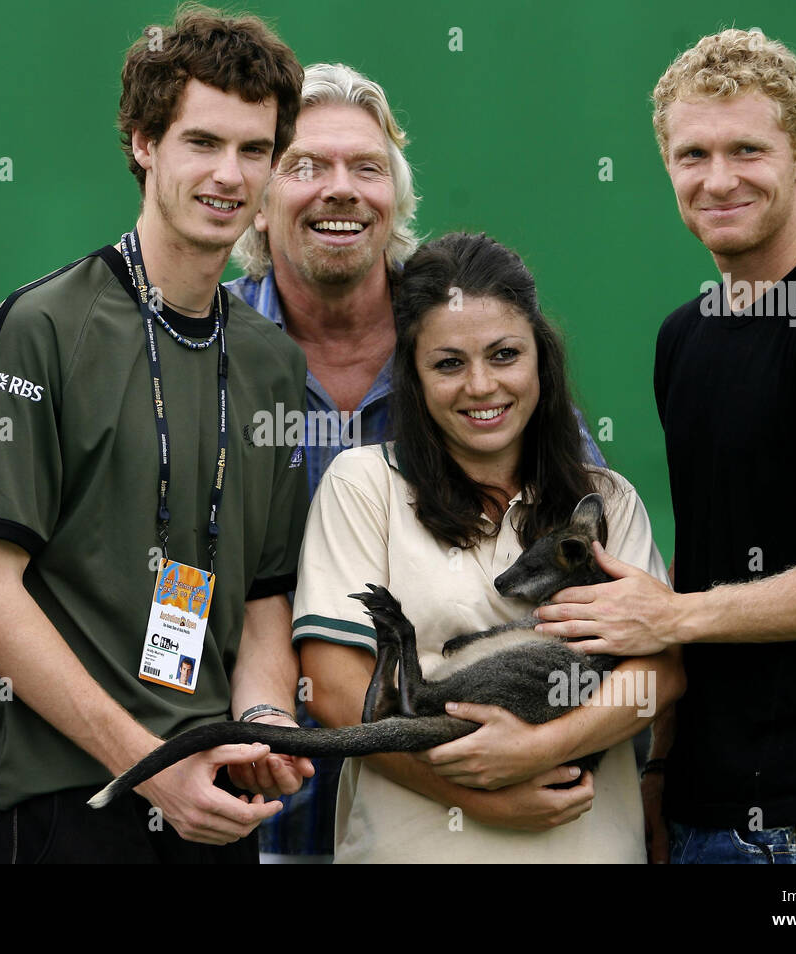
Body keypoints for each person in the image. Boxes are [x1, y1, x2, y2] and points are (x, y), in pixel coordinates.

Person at [534, 28, 796, 864]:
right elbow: (710, 552)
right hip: (708, 807)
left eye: (747, 150)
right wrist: (661, 771)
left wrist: (673, 615)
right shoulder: (686, 336)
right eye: (692, 155)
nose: (717, 180)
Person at [0, 6, 312, 863]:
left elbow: (265, 593)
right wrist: (150, 764)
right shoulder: (41, 327)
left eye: (254, 151)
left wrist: (262, 721)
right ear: (145, 143)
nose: (230, 175)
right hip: (56, 804)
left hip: (209, 796)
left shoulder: (270, 361)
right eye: (202, 142)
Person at [228, 62, 608, 862]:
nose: (340, 190)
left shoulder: (472, 351)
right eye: (305, 166)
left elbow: (591, 570)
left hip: (465, 807)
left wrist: (520, 760)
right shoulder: (201, 353)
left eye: (366, 167)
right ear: (257, 197)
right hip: (248, 799)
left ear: (397, 200)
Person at [293, 232, 684, 863]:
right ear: (412, 378)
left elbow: (658, 673)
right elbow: (336, 688)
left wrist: (539, 750)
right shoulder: (364, 485)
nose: (481, 385)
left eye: (504, 355)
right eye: (448, 363)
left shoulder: (605, 499)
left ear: (540, 358)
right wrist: (475, 796)